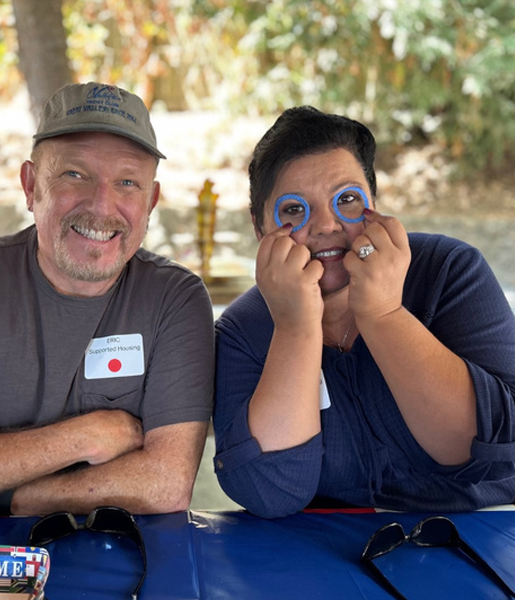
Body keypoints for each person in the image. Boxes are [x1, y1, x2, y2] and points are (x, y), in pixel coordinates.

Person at [0, 82, 214, 517]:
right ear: (31, 184)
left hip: (122, 550)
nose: (102, 207)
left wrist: (0, 500)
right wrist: (81, 438)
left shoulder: (175, 299)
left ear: (150, 202)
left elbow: (165, 485)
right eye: (75, 175)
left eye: (127, 182)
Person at [213, 106, 515, 519]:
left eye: (347, 200)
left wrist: (383, 313)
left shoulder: (447, 271)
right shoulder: (242, 330)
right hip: (330, 552)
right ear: (259, 228)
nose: (326, 225)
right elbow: (268, 491)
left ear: (374, 204)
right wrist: (296, 328)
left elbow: (495, 448)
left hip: (488, 534)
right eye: (294, 209)